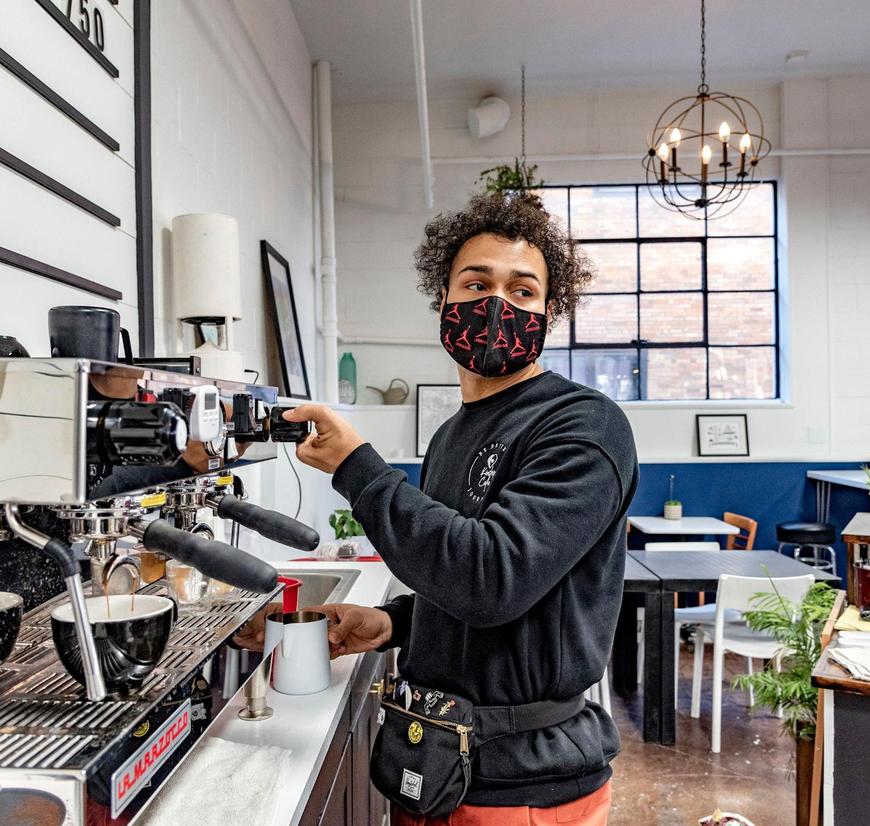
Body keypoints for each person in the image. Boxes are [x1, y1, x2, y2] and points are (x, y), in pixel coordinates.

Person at [239, 192, 638, 826]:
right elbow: (458, 582)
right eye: (476, 284)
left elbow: (493, 580)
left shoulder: (584, 425)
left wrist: (356, 468)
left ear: (550, 311)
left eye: (523, 291)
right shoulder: (453, 434)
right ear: (445, 301)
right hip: (433, 761)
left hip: (522, 785)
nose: (497, 305)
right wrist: (395, 622)